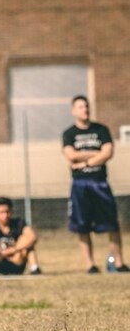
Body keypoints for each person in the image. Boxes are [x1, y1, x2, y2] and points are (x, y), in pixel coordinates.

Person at [62, 95, 129, 273]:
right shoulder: (69, 133)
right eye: (81, 107)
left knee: (112, 224)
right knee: (82, 226)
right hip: (79, 184)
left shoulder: (101, 130)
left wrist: (85, 162)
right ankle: (90, 265)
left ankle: (120, 263)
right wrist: (95, 153)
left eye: (86, 106)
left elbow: (108, 152)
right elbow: (71, 155)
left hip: (99, 182)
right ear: (73, 110)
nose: (85, 109)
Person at [0, 197, 41, 275]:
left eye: (7, 212)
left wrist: (14, 249)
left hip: (16, 261)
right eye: (2, 212)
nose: (5, 215)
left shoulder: (19, 223)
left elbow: (33, 237)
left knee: (27, 243)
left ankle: (35, 268)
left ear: (12, 211)